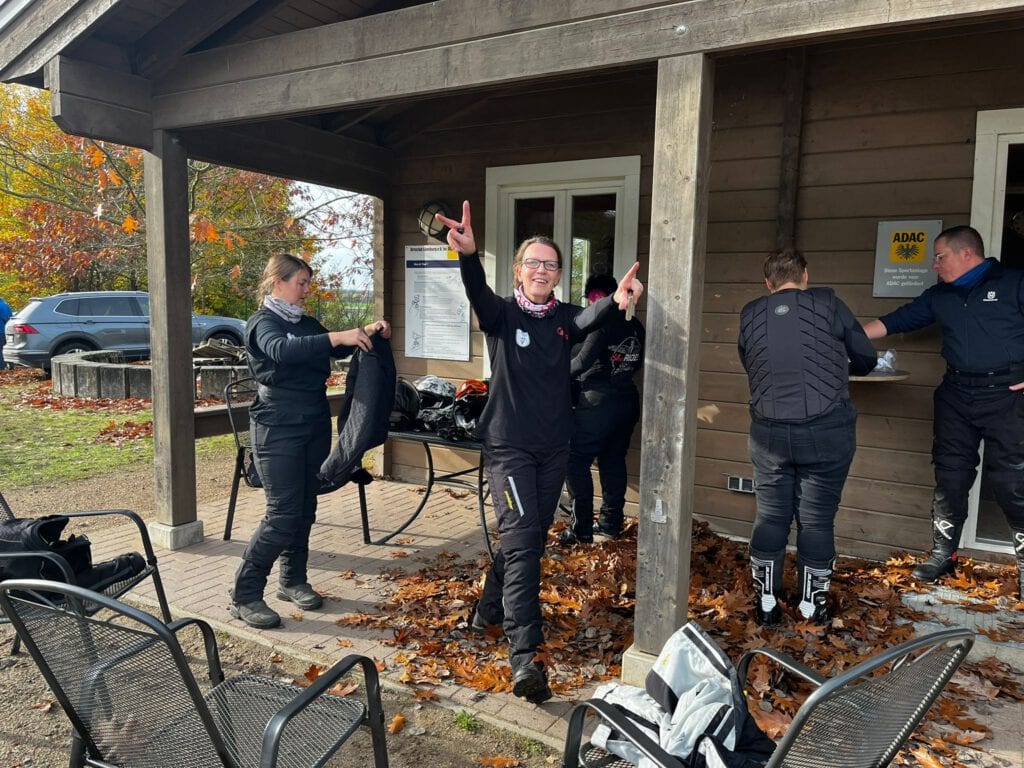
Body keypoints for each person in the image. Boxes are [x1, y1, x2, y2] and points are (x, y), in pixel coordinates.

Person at [435, 201, 643, 703]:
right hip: (508, 447)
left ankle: (488, 609)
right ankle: (526, 656)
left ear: (558, 274)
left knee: (525, 539)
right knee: (527, 546)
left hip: (554, 449)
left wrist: (615, 300)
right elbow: (477, 293)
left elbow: (590, 318)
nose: (542, 270)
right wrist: (467, 256)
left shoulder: (565, 320)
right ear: (518, 271)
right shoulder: (502, 315)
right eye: (534, 262)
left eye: (551, 264)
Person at [230, 253, 390, 629]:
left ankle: (292, 579)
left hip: (313, 422)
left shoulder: (305, 323)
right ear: (277, 282)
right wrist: (337, 336)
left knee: (304, 507)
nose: (306, 290)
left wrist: (366, 331)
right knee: (282, 513)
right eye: (300, 283)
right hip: (277, 427)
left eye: (307, 283)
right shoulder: (261, 324)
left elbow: (331, 346)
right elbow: (282, 351)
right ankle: (245, 594)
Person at [863, 225, 1024, 598]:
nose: (934, 265)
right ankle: (943, 554)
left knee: (1012, 483)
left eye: (940, 257)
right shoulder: (941, 296)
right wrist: (845, 337)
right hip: (956, 395)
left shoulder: (1014, 283)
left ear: (966, 254)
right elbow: (897, 320)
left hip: (1008, 396)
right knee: (950, 479)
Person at [738, 249, 877, 626]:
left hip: (768, 433)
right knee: (816, 521)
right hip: (826, 431)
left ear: (767, 284)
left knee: (770, 516)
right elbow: (866, 358)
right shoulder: (828, 303)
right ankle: (810, 607)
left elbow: (749, 359)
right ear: (805, 276)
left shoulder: (751, 312)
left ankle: (766, 603)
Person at [560, 273, 645, 545]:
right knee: (613, 460)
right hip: (627, 402)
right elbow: (637, 363)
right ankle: (610, 524)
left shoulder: (601, 324)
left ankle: (581, 528)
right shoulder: (636, 325)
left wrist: (549, 372)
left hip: (597, 403)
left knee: (575, 462)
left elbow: (582, 362)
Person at [0, 296, 12, 369]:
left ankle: (2, 367)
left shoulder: (2, 306)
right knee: (8, 348)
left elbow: (5, 318)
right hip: (8, 331)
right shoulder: (6, 305)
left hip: (1, 330)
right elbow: (9, 318)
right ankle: (11, 365)